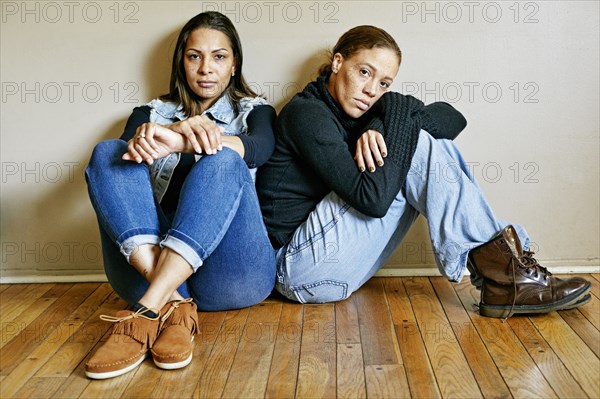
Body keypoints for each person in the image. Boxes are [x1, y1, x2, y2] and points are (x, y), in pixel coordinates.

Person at [256, 25, 591, 319]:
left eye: (385, 83)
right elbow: (371, 200)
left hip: (332, 267)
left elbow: (452, 117)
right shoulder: (307, 113)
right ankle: (503, 275)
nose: (372, 90)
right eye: (364, 72)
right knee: (416, 145)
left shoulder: (361, 110)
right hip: (296, 269)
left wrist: (378, 122)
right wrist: (391, 113)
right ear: (338, 62)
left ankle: (504, 277)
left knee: (423, 140)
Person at [84, 11, 276, 379]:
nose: (206, 68)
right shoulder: (151, 113)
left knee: (223, 160)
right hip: (146, 265)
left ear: (234, 65)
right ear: (182, 62)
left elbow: (260, 148)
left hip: (232, 273)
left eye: (219, 57)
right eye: (194, 56)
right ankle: (171, 304)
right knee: (110, 151)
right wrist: (169, 128)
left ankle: (148, 309)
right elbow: (117, 172)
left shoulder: (256, 111)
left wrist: (186, 141)